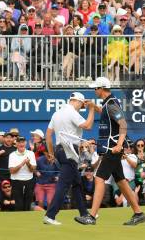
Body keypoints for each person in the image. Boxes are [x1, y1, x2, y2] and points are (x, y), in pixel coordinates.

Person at [76, 77, 145, 226]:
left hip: (112, 150)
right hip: (111, 148)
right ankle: (138, 213)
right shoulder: (108, 103)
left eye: (95, 88)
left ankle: (92, 216)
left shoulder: (111, 103)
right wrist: (94, 107)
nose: (94, 90)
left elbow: (123, 124)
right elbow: (107, 114)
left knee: (99, 178)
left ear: (101, 89)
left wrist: (119, 144)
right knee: (121, 182)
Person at [44, 92, 96, 225]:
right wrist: (91, 110)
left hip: (60, 150)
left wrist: (51, 153)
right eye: (82, 105)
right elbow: (88, 126)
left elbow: (48, 136)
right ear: (77, 101)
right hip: (70, 151)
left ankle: (84, 214)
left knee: (77, 184)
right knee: (63, 184)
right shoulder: (72, 112)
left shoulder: (56, 114)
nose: (81, 107)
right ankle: (50, 215)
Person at [8, 136, 36, 211]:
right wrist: (22, 164)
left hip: (29, 180)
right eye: (19, 142)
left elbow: (33, 170)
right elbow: (11, 171)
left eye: (23, 142)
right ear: (16, 143)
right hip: (16, 181)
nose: (21, 144)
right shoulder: (12, 155)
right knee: (18, 204)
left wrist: (28, 164)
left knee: (28, 204)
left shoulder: (31, 153)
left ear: (25, 143)